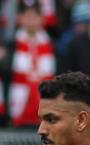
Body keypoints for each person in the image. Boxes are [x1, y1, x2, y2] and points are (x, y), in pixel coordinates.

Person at [8, 0, 55, 128]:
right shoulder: (12, 45)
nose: (31, 20)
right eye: (27, 16)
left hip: (43, 108)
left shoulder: (50, 45)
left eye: (35, 16)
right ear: (20, 19)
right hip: (19, 107)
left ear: (42, 19)